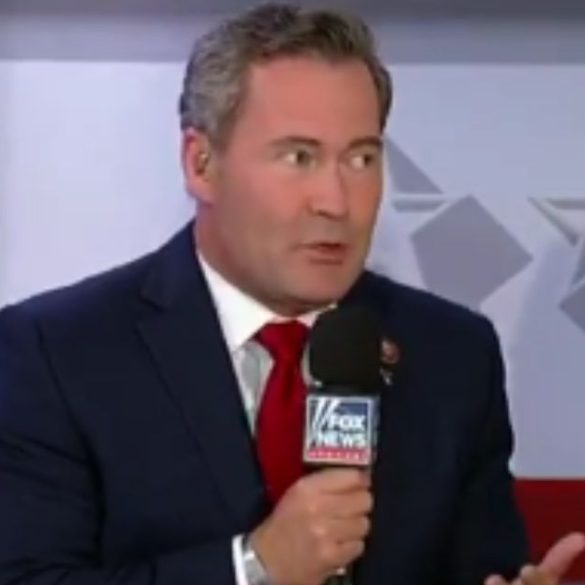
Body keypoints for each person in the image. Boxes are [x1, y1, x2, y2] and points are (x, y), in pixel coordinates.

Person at [0, 4, 582, 585]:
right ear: (201, 164)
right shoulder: (54, 353)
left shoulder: (453, 354)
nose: (336, 201)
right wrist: (255, 568)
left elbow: (484, 566)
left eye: (361, 158)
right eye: (299, 157)